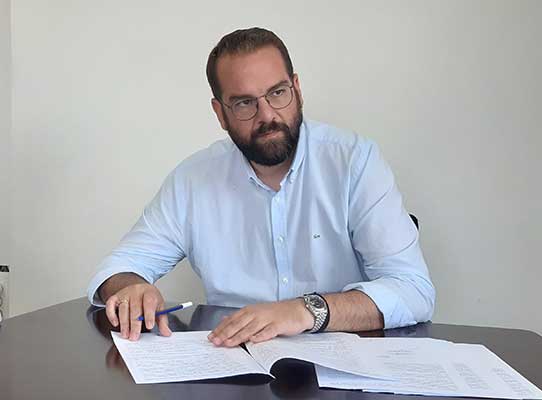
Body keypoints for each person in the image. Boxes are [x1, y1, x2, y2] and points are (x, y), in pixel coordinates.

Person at [87, 27, 435, 348]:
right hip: (235, 364)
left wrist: (304, 310)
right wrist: (131, 288)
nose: (267, 115)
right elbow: (117, 269)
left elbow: (414, 291)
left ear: (297, 90)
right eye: (244, 103)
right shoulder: (193, 179)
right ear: (220, 113)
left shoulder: (355, 162)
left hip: (343, 363)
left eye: (277, 93)